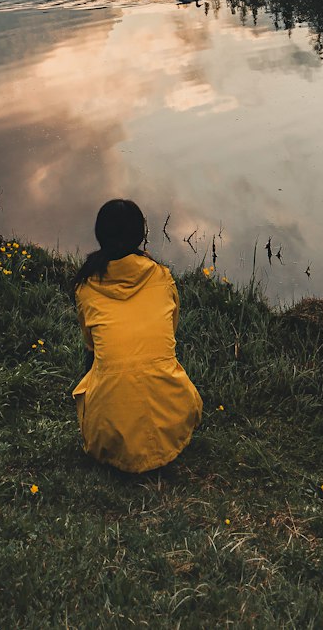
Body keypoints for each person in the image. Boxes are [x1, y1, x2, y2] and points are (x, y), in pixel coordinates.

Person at [72, 198, 202, 474]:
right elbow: (171, 329)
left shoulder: (85, 288)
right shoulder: (162, 277)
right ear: (140, 234)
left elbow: (90, 344)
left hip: (105, 439)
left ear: (100, 234)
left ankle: (107, 412)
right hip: (172, 425)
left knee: (93, 359)